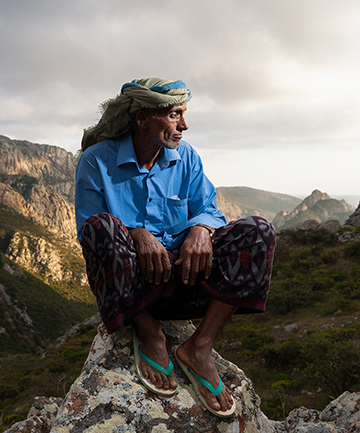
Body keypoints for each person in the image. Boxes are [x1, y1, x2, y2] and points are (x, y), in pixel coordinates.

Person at [75, 78, 276, 418]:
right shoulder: (97, 161)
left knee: (259, 231)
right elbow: (89, 232)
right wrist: (136, 233)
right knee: (101, 228)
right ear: (142, 119)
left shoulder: (186, 157)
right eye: (173, 115)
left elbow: (208, 207)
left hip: (187, 279)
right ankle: (150, 332)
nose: (184, 125)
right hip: (134, 288)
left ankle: (199, 347)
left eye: (183, 114)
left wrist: (201, 228)